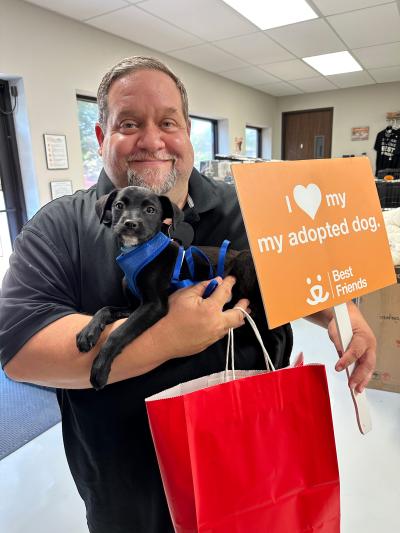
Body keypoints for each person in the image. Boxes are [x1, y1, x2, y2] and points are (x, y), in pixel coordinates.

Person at [0, 56, 376, 533]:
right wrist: (167, 337)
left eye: (168, 122)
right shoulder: (57, 228)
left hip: (257, 459)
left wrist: (345, 315)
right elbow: (21, 351)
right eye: (130, 123)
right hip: (129, 483)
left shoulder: (253, 207)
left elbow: (301, 270)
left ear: (187, 134)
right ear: (101, 138)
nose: (153, 140)